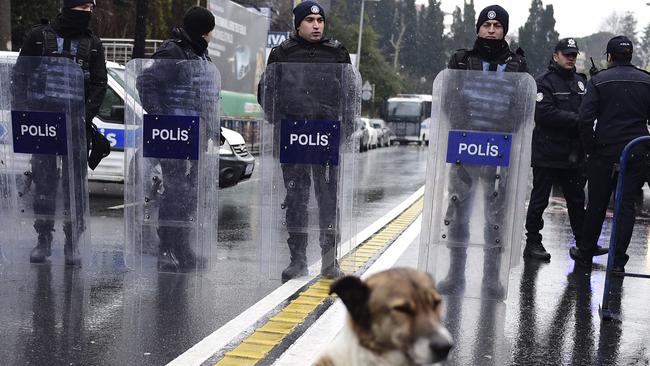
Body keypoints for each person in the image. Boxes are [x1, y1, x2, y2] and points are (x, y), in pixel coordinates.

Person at [438, 5, 527, 297]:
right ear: (478, 28)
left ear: (504, 30)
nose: (491, 30)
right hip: (465, 147)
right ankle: (455, 275)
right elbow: (448, 99)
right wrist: (467, 127)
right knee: (459, 214)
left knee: (495, 218)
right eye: (486, 25)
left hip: (499, 151)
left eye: (497, 26)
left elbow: (524, 107)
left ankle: (491, 278)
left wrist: (503, 128)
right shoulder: (461, 60)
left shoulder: (516, 65)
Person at [263, 0, 351, 282]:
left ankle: (329, 260)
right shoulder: (282, 53)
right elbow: (267, 90)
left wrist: (344, 129)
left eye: (320, 20)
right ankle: (297, 259)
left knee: (327, 199)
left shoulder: (337, 53)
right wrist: (279, 121)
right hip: (294, 135)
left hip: (325, 135)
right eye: (310, 20)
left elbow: (349, 93)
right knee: (296, 199)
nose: (316, 25)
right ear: (298, 24)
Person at [16, 0, 108, 265]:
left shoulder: (93, 44)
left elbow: (99, 84)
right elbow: (20, 77)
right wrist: (25, 115)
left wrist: (84, 117)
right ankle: (43, 240)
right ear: (68, 9)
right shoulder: (38, 37)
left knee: (74, 187)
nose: (87, 15)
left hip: (75, 125)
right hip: (42, 126)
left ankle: (72, 244)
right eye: (82, 10)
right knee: (44, 184)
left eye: (90, 10)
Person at [135, 6, 216, 272]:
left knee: (188, 195)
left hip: (194, 135)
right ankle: (166, 249)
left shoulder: (199, 55)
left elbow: (205, 96)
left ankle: (182, 247)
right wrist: (162, 119)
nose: (211, 37)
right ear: (201, 31)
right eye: (208, 32)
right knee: (175, 194)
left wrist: (214, 128)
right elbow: (146, 81)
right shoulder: (173, 51)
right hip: (174, 135)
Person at [523, 38, 608, 261]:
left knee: (577, 201)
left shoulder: (581, 82)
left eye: (573, 54)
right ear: (555, 56)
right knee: (540, 200)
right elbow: (544, 114)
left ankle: (583, 244)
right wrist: (579, 120)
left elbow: (592, 109)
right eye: (566, 54)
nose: (571, 58)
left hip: (573, 154)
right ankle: (533, 241)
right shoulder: (544, 82)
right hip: (548, 152)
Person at [570, 36, 650, 272]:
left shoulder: (599, 81)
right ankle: (617, 261)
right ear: (631, 55)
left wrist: (590, 147)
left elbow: (585, 119)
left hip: (604, 151)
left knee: (597, 203)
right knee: (625, 206)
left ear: (609, 56)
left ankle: (585, 253)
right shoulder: (647, 81)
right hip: (635, 150)